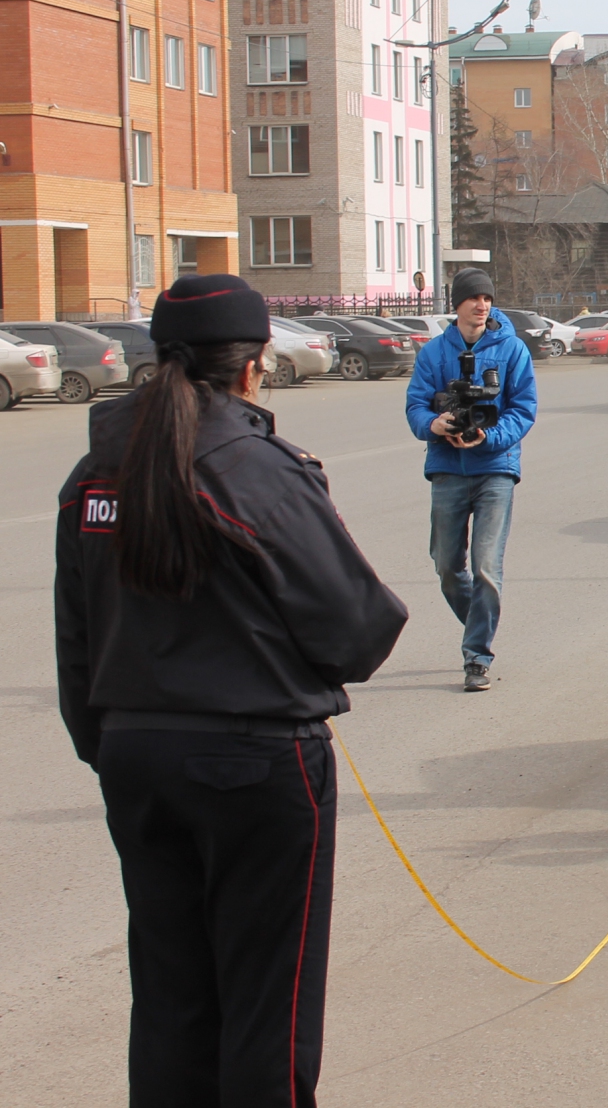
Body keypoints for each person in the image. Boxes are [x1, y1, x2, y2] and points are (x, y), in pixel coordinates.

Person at [54, 273, 408, 1107]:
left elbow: (75, 640)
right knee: (266, 1005)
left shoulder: (96, 468)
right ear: (253, 367)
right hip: (254, 763)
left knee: (173, 1000)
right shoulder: (250, 466)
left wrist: (111, 748)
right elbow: (359, 626)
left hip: (136, 757)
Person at [404, 268, 538, 691]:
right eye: (473, 298)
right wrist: (435, 423)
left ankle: (476, 657)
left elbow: (524, 408)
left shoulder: (512, 349)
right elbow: (414, 407)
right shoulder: (433, 353)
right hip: (447, 469)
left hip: (495, 467)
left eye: (487, 298)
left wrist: (489, 437)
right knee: (447, 566)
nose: (481, 305)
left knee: (485, 566)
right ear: (457, 304)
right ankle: (479, 624)